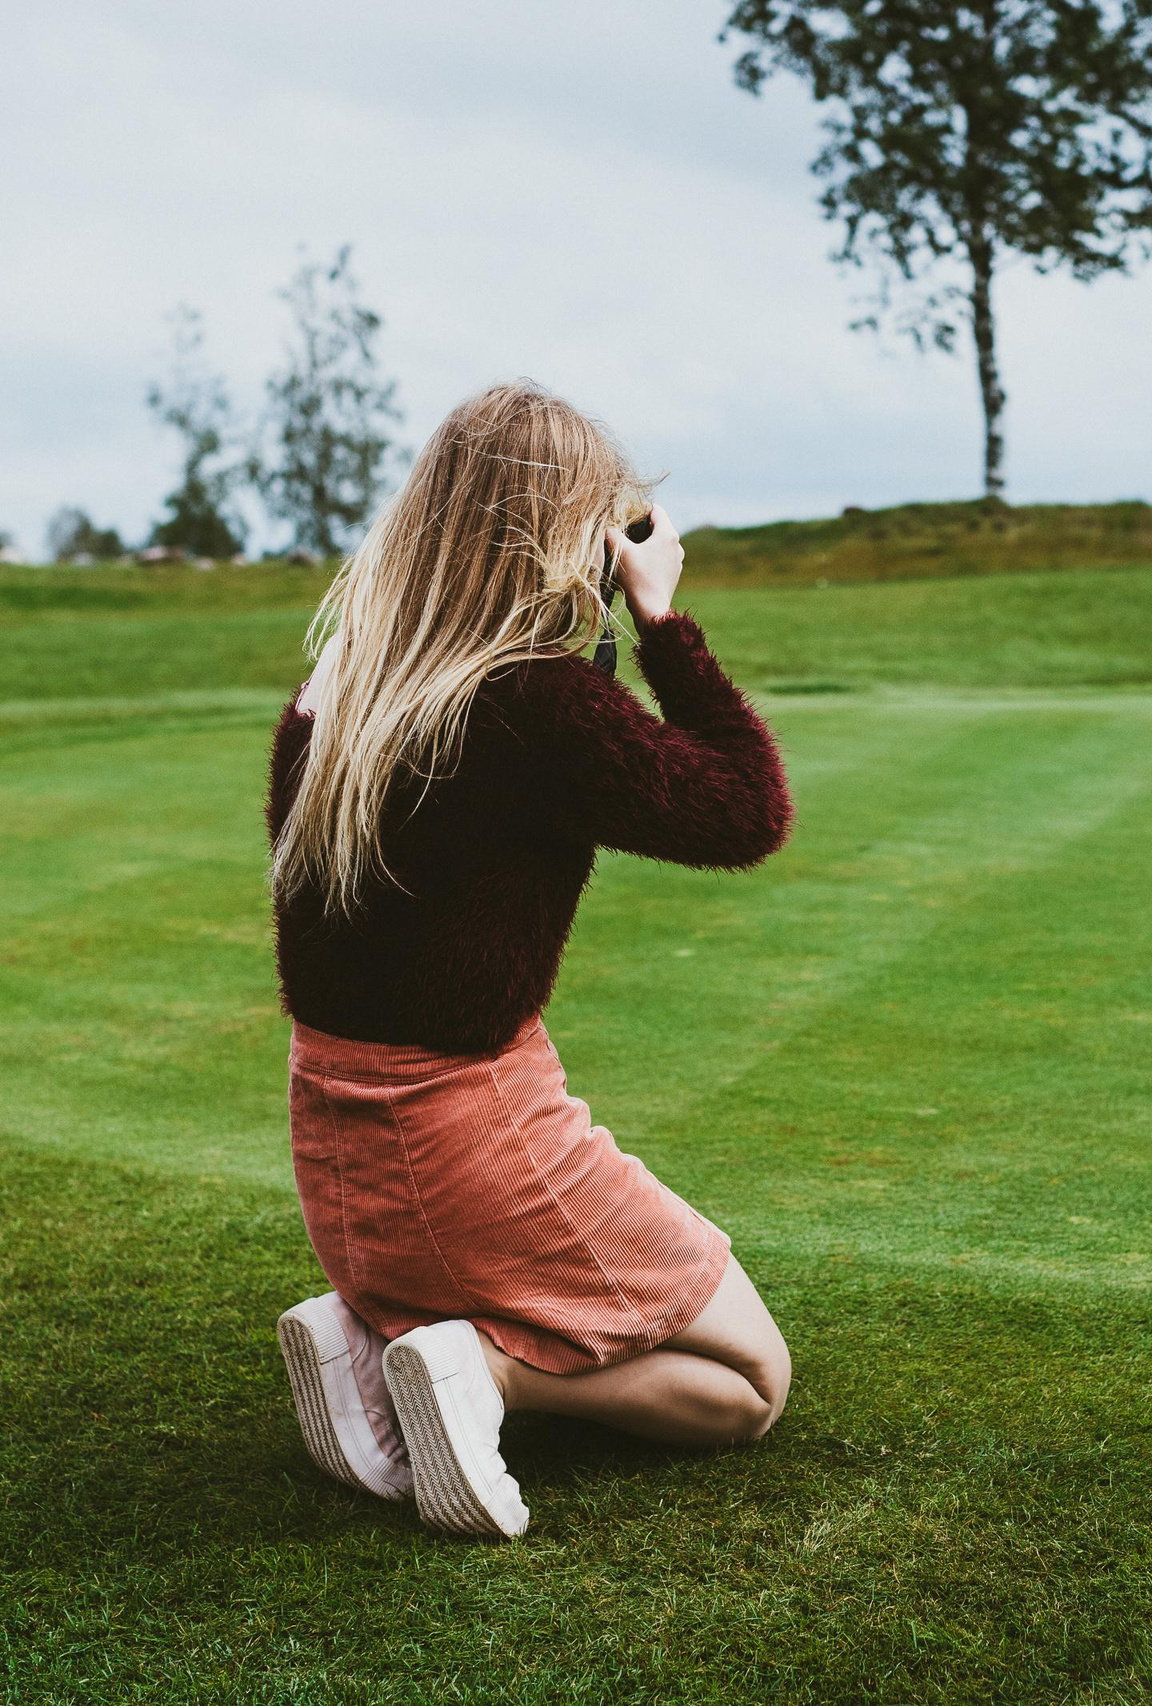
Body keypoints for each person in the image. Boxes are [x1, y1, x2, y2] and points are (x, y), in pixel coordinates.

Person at [264, 381, 795, 1538]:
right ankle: (481, 1373)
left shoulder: (337, 687)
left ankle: (372, 1337)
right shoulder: (536, 705)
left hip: (339, 1154)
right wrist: (660, 622)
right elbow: (747, 808)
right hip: (469, 1140)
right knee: (751, 1381)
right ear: (568, 533)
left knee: (503, 1283)